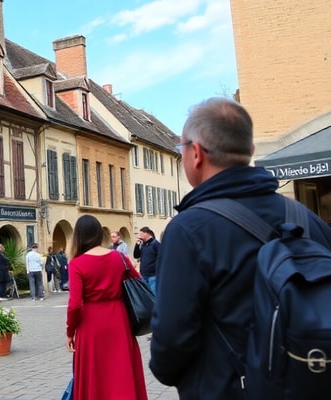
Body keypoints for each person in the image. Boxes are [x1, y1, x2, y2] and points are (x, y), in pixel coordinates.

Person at [149, 98, 331, 399]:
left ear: (195, 153)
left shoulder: (188, 229)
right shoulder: (307, 218)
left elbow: (171, 341)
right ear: (250, 152)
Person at [66, 215, 148, 400]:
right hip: (119, 319)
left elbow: (75, 304)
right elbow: (138, 281)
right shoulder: (119, 257)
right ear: (99, 234)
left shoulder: (77, 264)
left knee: (95, 374)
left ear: (78, 236)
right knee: (121, 371)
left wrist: (70, 331)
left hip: (91, 325)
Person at [133, 226, 159, 294]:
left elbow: (162, 256)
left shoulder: (155, 244)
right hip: (144, 274)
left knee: (153, 294)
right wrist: (137, 245)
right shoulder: (143, 245)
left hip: (153, 275)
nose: (140, 236)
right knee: (145, 294)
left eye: (141, 234)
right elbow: (136, 256)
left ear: (147, 233)